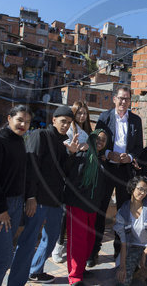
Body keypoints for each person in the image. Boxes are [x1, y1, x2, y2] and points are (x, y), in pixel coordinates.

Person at [8, 105, 77, 285]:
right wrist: (30, 197)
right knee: (29, 240)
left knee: (52, 237)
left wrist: (71, 154)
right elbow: (31, 168)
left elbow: (64, 173)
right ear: (53, 120)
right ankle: (16, 279)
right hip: (37, 200)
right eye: (63, 121)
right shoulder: (40, 135)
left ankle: (35, 270)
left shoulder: (64, 143)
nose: (65, 126)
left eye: (69, 123)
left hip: (55, 200)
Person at [87, 85, 143, 267]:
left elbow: (139, 147)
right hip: (106, 169)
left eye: (127, 99)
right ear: (114, 99)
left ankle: (119, 250)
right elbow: (97, 141)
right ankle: (94, 251)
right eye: (120, 98)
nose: (123, 102)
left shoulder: (136, 120)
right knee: (100, 209)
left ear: (130, 101)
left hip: (125, 172)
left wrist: (130, 156)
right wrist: (109, 153)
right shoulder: (104, 117)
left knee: (123, 212)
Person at [0, 105, 33, 286]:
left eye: (27, 122)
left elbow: (22, 174)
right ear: (9, 118)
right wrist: (2, 209)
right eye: (19, 120)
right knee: (3, 256)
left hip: (16, 203)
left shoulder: (20, 141)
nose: (23, 124)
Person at [63, 129, 108, 286]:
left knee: (88, 240)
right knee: (77, 241)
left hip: (92, 206)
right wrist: (72, 153)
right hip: (77, 204)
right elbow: (69, 174)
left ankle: (81, 269)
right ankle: (74, 276)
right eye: (97, 139)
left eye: (103, 140)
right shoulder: (81, 155)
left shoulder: (101, 160)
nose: (100, 142)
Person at [52, 101, 93, 264]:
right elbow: (63, 149)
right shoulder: (69, 129)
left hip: (80, 177)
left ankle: (68, 245)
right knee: (64, 213)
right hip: (66, 175)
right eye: (79, 113)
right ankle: (58, 245)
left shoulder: (86, 132)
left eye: (85, 113)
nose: (82, 116)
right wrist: (76, 149)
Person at [114, 176, 147, 286]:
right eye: (140, 189)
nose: (143, 193)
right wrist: (122, 267)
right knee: (122, 281)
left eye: (146, 190)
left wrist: (145, 252)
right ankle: (134, 266)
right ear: (133, 188)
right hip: (132, 248)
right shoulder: (122, 212)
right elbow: (123, 242)